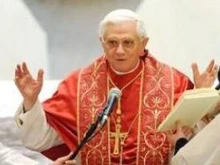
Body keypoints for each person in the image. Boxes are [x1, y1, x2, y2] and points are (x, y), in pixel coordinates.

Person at [14, 9, 218, 165]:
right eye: (112, 42)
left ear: (143, 43)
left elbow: (197, 147)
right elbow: (38, 140)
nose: (119, 50)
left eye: (128, 42)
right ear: (102, 42)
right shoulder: (78, 84)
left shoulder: (174, 83)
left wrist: (201, 98)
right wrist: (30, 102)